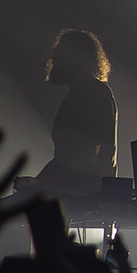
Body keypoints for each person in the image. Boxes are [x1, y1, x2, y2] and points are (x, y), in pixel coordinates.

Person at [31, 29, 118, 200]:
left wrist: (41, 183)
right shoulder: (83, 94)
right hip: (75, 186)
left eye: (59, 54)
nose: (53, 59)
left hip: (80, 190)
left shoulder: (93, 94)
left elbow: (83, 158)